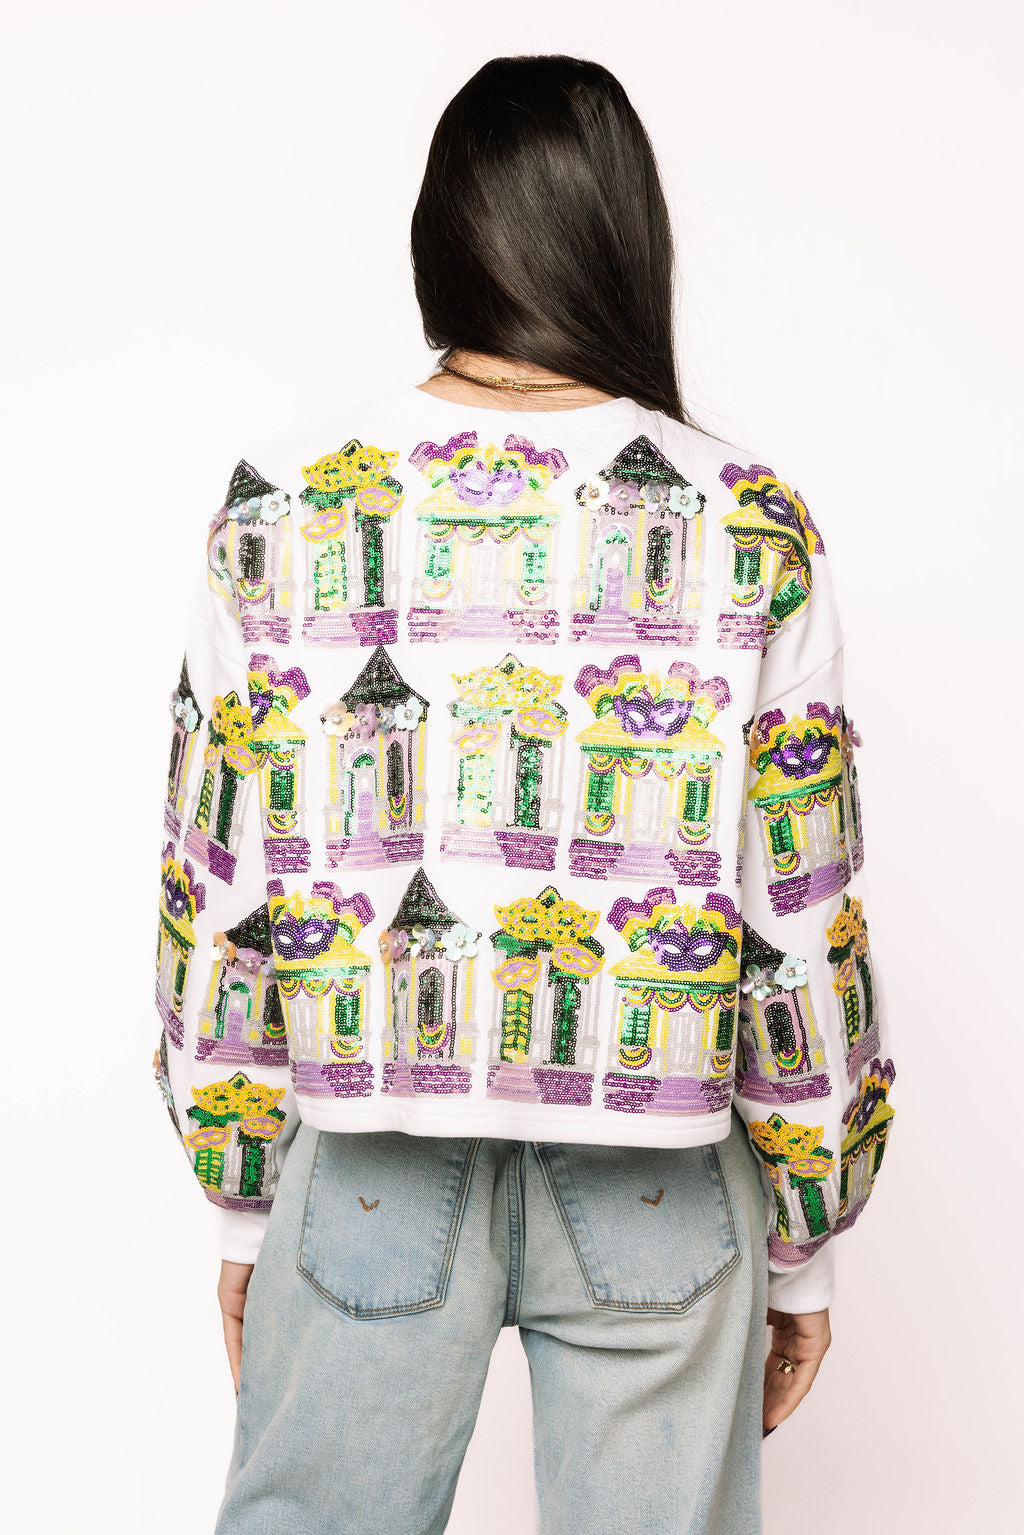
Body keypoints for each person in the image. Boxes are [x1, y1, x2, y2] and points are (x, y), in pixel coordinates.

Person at [151, 53, 897, 1535]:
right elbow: (802, 907)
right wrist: (808, 1232)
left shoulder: (284, 499)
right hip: (660, 1184)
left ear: (440, 237)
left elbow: (213, 880)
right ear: (626, 235)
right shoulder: (745, 516)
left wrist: (242, 1199)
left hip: (366, 1158)